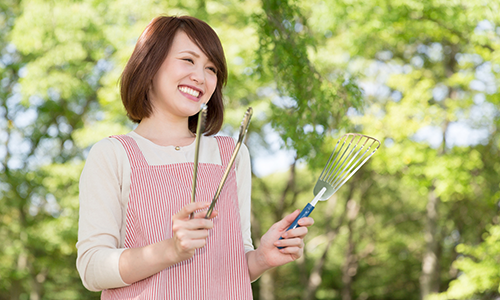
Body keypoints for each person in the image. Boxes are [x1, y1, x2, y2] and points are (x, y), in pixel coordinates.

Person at [76, 15, 314, 299]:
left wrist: (263, 257)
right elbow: (92, 268)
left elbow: (232, 266)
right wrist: (172, 250)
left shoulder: (232, 154)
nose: (200, 77)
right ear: (149, 63)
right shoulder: (113, 154)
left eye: (211, 68)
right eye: (188, 60)